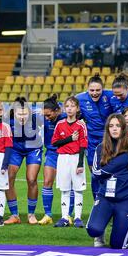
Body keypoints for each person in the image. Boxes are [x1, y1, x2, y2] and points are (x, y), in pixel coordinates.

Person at [87, 114, 128, 249]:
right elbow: (97, 173)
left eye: (118, 126)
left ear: (123, 128)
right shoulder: (100, 148)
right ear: (107, 129)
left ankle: (125, 232)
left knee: (117, 245)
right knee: (93, 230)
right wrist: (124, 159)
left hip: (126, 200)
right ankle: (100, 233)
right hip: (105, 198)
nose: (114, 129)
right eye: (111, 126)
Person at [4, 97, 43, 225]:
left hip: (33, 148)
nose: (22, 117)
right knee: (9, 178)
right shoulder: (7, 122)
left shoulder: (37, 118)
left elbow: (54, 113)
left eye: (25, 113)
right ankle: (14, 215)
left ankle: (31, 214)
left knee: (31, 179)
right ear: (14, 113)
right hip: (15, 149)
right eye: (19, 114)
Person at [51, 96, 87, 228]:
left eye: (72, 106)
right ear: (64, 108)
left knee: (78, 190)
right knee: (65, 190)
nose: (70, 109)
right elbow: (54, 142)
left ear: (77, 108)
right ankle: (64, 217)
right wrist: (70, 139)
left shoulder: (81, 125)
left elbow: (83, 144)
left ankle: (77, 218)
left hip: (76, 157)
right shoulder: (60, 124)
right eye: (67, 106)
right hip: (63, 159)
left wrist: (80, 163)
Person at [76, 75, 114, 200]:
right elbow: (68, 110)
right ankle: (97, 203)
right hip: (91, 141)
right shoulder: (80, 99)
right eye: (92, 90)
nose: (95, 93)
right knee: (95, 174)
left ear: (103, 89)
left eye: (98, 90)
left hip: (109, 140)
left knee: (110, 173)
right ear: (87, 89)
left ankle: (110, 203)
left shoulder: (110, 96)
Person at [38, 94, 68, 225]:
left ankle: (68, 215)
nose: (47, 118)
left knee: (68, 185)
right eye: (45, 115)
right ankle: (48, 215)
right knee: (47, 181)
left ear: (57, 111)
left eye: (49, 115)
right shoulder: (43, 118)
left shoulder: (67, 118)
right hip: (51, 153)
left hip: (66, 154)